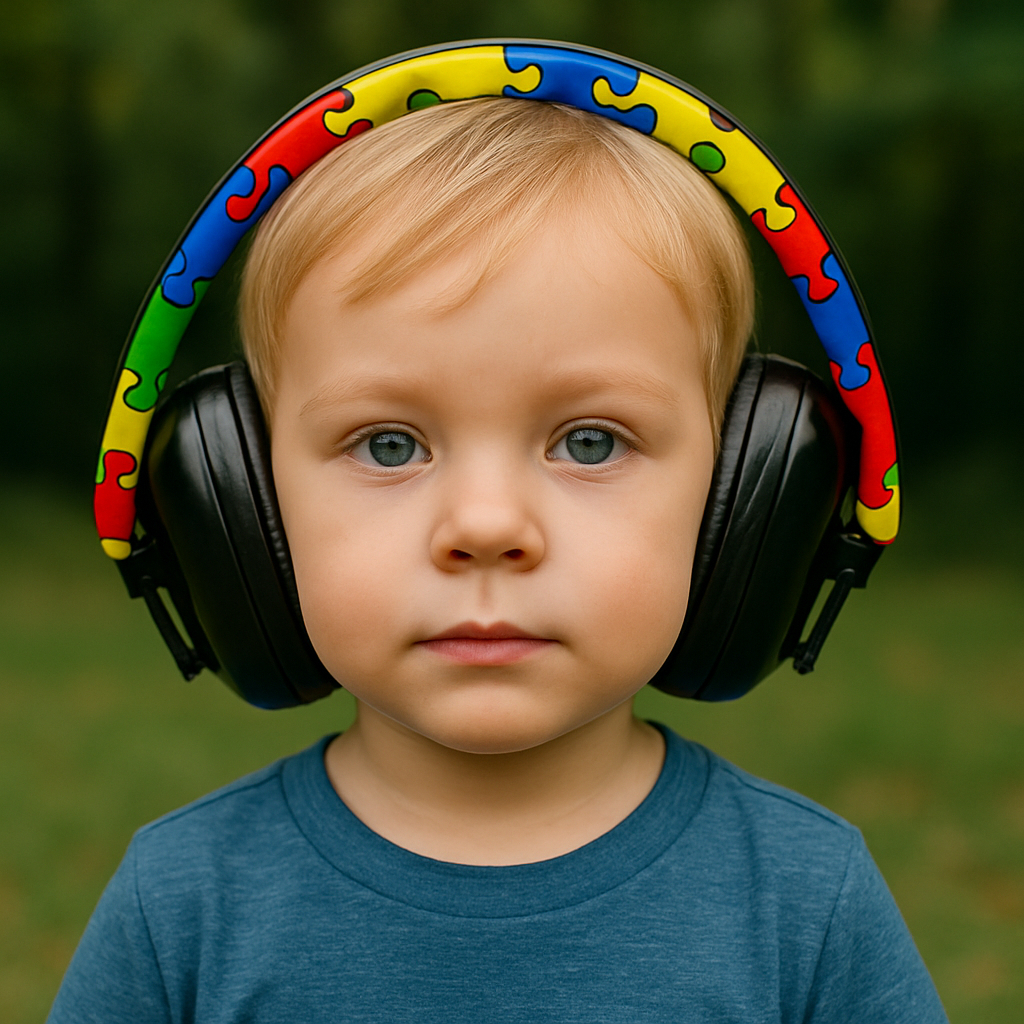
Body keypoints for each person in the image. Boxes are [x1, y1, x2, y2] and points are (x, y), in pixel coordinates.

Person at [50, 95, 947, 1022]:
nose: (484, 525)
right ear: (243, 506)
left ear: (742, 500)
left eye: (591, 442)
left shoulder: (807, 904)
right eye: (389, 445)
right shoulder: (182, 907)